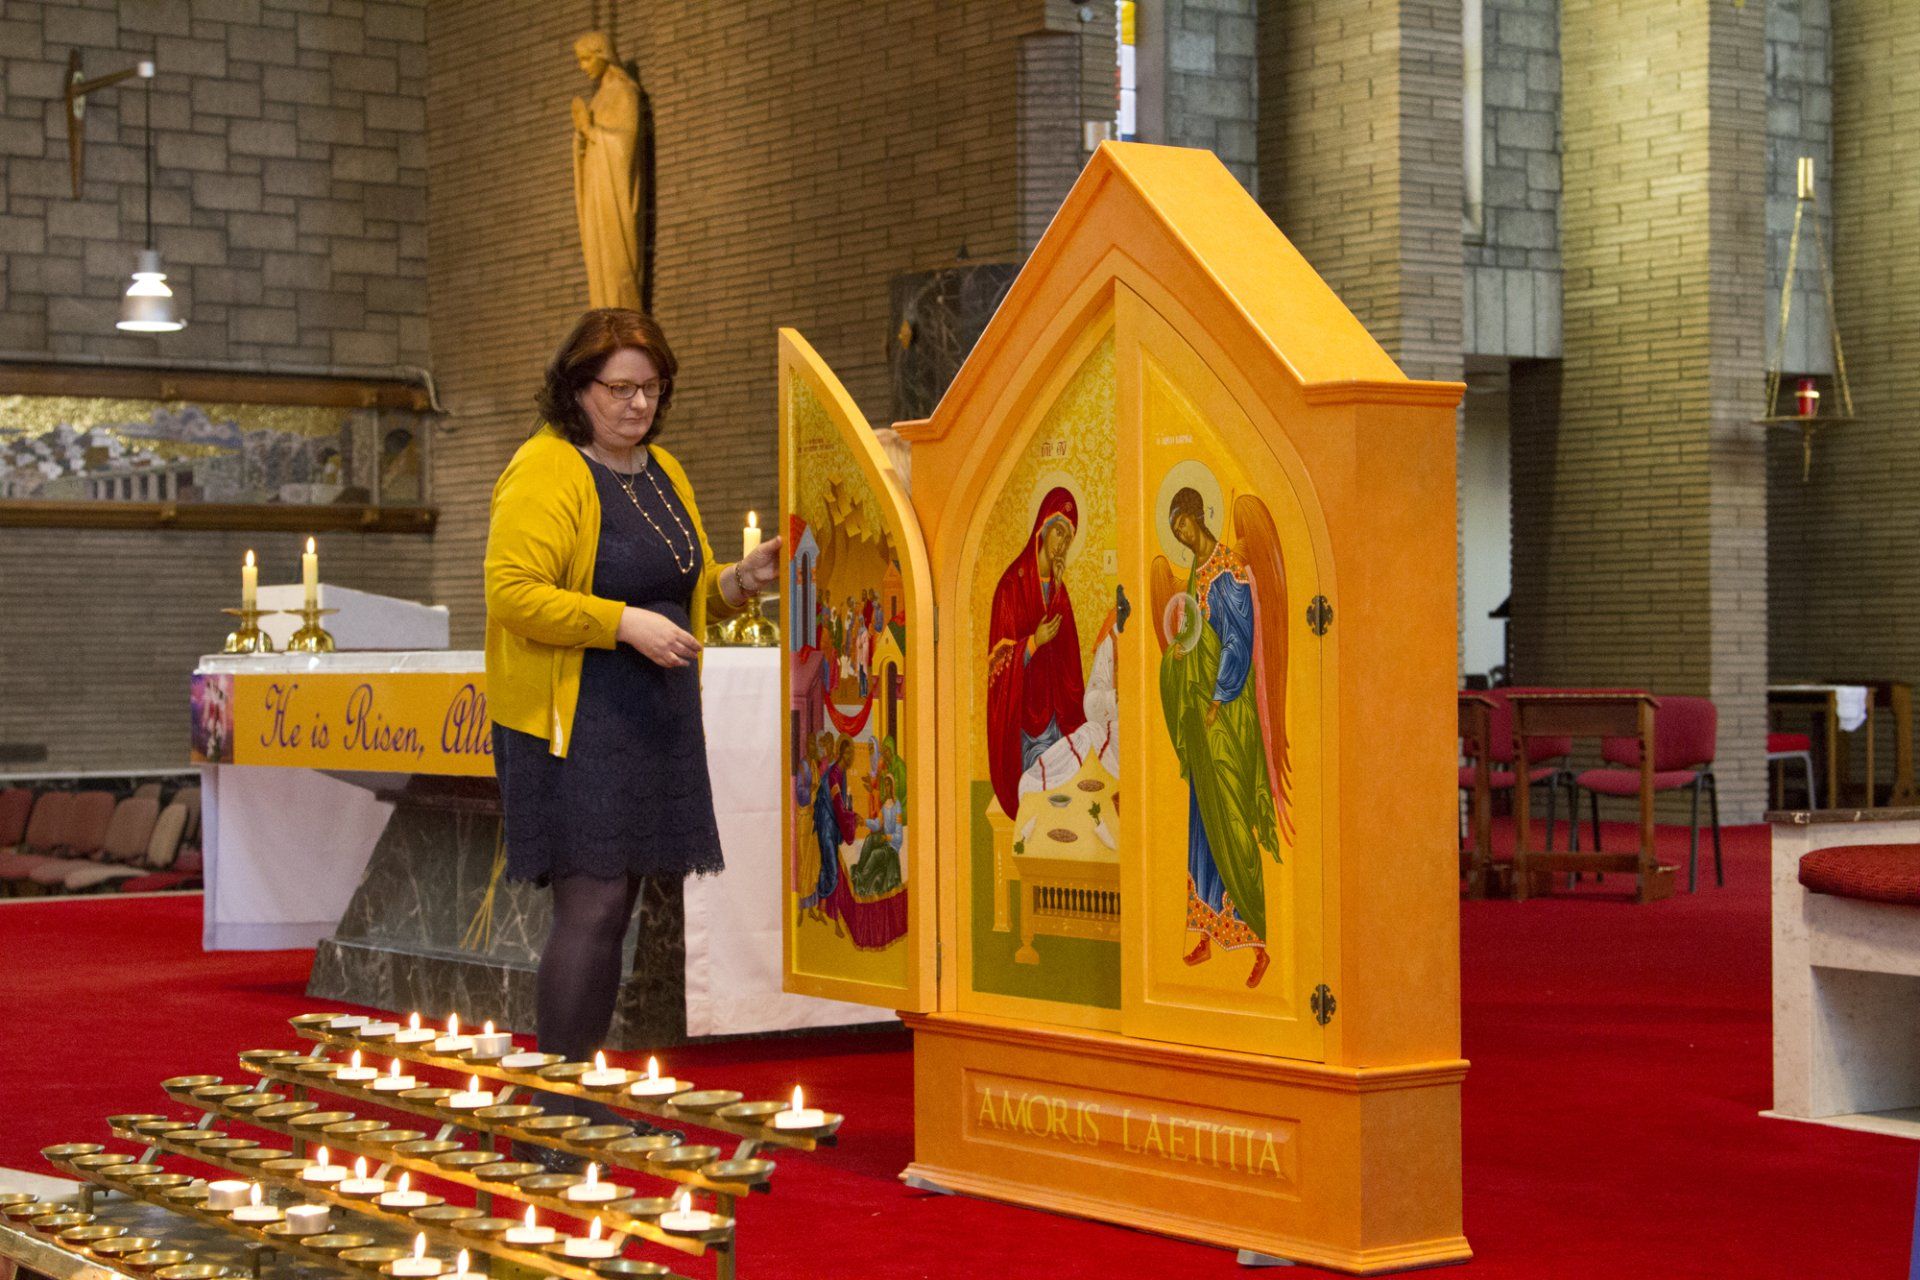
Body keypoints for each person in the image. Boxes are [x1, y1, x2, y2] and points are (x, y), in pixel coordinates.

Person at [484, 308, 782, 1138]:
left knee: (619, 908)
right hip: (575, 716)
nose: (637, 404)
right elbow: (513, 594)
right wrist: (621, 624)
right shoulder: (545, 469)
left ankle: (582, 1095)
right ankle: (555, 1109)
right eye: (620, 388)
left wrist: (739, 581)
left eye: (651, 388)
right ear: (577, 389)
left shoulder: (664, 471)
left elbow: (680, 593)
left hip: (650, 712)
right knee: (592, 904)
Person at [1160, 487, 1279, 989]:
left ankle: (1258, 941)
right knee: (1203, 827)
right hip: (1202, 722)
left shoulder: (1229, 572)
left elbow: (1237, 641)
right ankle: (1207, 932)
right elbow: (1194, 634)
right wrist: (1182, 658)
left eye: (1184, 526)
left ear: (1196, 517)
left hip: (1228, 719)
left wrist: (1217, 698)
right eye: (1176, 533)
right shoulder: (1195, 574)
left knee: (1231, 820)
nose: (1183, 537)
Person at [985, 487, 1087, 819]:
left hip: (1059, 717)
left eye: (1068, 536)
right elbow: (997, 666)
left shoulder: (1060, 591)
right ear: (1042, 526)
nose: (1061, 541)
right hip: (1028, 724)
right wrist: (1033, 643)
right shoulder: (1011, 586)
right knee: (1043, 793)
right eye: (1058, 529)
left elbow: (1071, 666)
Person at [570, 33, 646, 310]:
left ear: (603, 55)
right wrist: (581, 138)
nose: (583, 66)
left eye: (587, 58)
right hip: (596, 191)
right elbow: (589, 145)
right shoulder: (599, 97)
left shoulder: (624, 93)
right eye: (580, 60)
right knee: (598, 260)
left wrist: (591, 131)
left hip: (614, 194)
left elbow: (625, 144)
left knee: (617, 261)